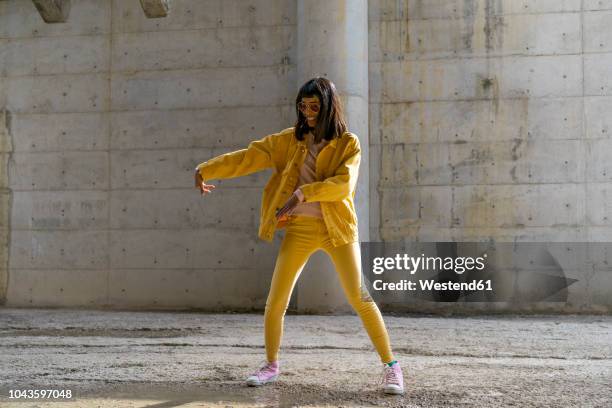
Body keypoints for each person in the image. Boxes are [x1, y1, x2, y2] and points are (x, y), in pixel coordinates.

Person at [194, 77, 404, 395]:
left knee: (359, 298)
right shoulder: (288, 141)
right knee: (276, 301)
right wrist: (206, 169)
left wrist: (305, 193)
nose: (307, 112)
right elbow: (249, 156)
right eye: (303, 106)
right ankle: (270, 365)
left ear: (328, 107)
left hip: (338, 230)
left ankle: (392, 367)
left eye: (314, 106)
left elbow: (344, 185)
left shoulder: (348, 143)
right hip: (300, 230)